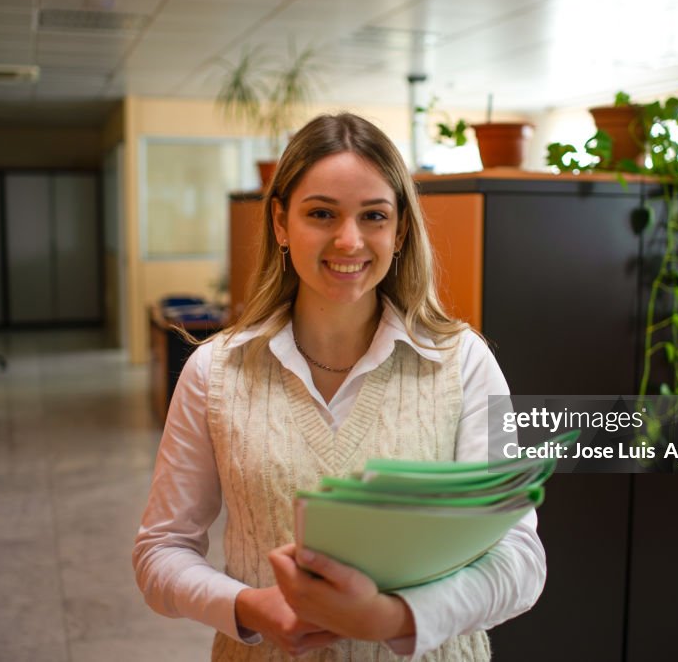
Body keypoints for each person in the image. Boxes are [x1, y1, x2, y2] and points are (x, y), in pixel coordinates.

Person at [133, 112, 545, 661]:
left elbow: (518, 554)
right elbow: (162, 550)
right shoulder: (214, 373)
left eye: (373, 216)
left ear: (399, 230)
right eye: (321, 213)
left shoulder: (463, 363)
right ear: (281, 223)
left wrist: (395, 619)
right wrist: (250, 607)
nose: (349, 240)